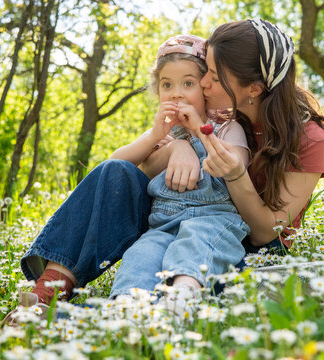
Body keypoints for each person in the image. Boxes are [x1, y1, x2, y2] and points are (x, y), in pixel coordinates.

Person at [3, 18, 324, 324]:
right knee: (114, 173)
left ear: (254, 88)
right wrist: (180, 144)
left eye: (214, 77)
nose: (203, 84)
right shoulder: (220, 115)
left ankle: (63, 322)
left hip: (236, 244)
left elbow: (268, 233)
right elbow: (145, 173)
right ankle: (51, 287)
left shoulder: (307, 137)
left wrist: (231, 172)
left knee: (167, 298)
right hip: (169, 224)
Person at [108, 34, 251, 302]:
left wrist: (198, 129)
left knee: (194, 248)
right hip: (163, 225)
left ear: (206, 87)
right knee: (140, 255)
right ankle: (128, 306)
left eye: (188, 83)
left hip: (213, 220)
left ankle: (182, 300)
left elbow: (237, 165)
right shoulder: (161, 134)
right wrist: (153, 137)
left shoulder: (227, 127)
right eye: (167, 84)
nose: (176, 92)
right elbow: (113, 167)